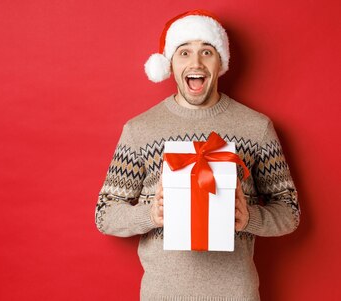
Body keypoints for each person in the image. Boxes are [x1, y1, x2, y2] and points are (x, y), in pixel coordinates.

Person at [94, 9, 300, 300]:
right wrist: (150, 214)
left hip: (235, 294)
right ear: (170, 64)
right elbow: (105, 214)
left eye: (206, 51)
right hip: (162, 294)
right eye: (184, 52)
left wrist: (249, 218)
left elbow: (289, 211)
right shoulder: (140, 130)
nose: (195, 62)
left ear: (220, 62)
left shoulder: (256, 128)